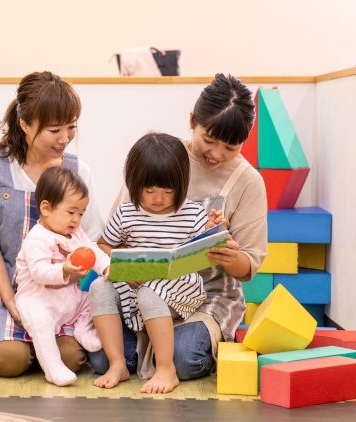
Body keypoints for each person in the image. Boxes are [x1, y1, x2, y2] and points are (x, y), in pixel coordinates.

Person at [88, 73, 267, 392]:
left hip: (203, 294)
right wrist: (125, 268)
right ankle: (137, 358)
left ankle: (169, 358)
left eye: (230, 146)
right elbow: (110, 239)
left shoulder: (248, 182)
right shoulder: (161, 159)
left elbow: (248, 268)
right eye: (209, 139)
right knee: (100, 358)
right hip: (139, 290)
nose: (216, 153)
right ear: (192, 122)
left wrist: (229, 256)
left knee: (186, 358)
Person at [0, 71, 105, 378]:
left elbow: (89, 241)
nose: (65, 138)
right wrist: (10, 299)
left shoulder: (77, 171)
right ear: (24, 124)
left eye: (71, 126)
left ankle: (42, 345)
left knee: (72, 357)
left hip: (60, 287)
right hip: (2, 282)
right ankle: (24, 342)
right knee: (8, 359)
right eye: (54, 130)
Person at [91, 132, 224, 394]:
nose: (158, 198)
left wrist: (214, 228)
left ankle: (166, 369)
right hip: (135, 285)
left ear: (181, 184)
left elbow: (208, 247)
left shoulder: (192, 212)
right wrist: (114, 266)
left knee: (150, 292)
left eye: (168, 190)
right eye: (149, 190)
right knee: (98, 288)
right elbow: (104, 245)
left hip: (180, 287)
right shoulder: (127, 212)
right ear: (134, 183)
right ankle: (117, 363)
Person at [14, 166, 111, 386]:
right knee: (41, 324)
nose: (76, 220)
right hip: (39, 299)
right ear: (46, 208)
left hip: (69, 297)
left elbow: (92, 250)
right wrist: (64, 270)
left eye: (81, 213)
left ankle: (83, 329)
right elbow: (39, 273)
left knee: (92, 298)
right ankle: (54, 369)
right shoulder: (37, 239)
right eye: (71, 212)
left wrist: (106, 266)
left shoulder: (75, 232)